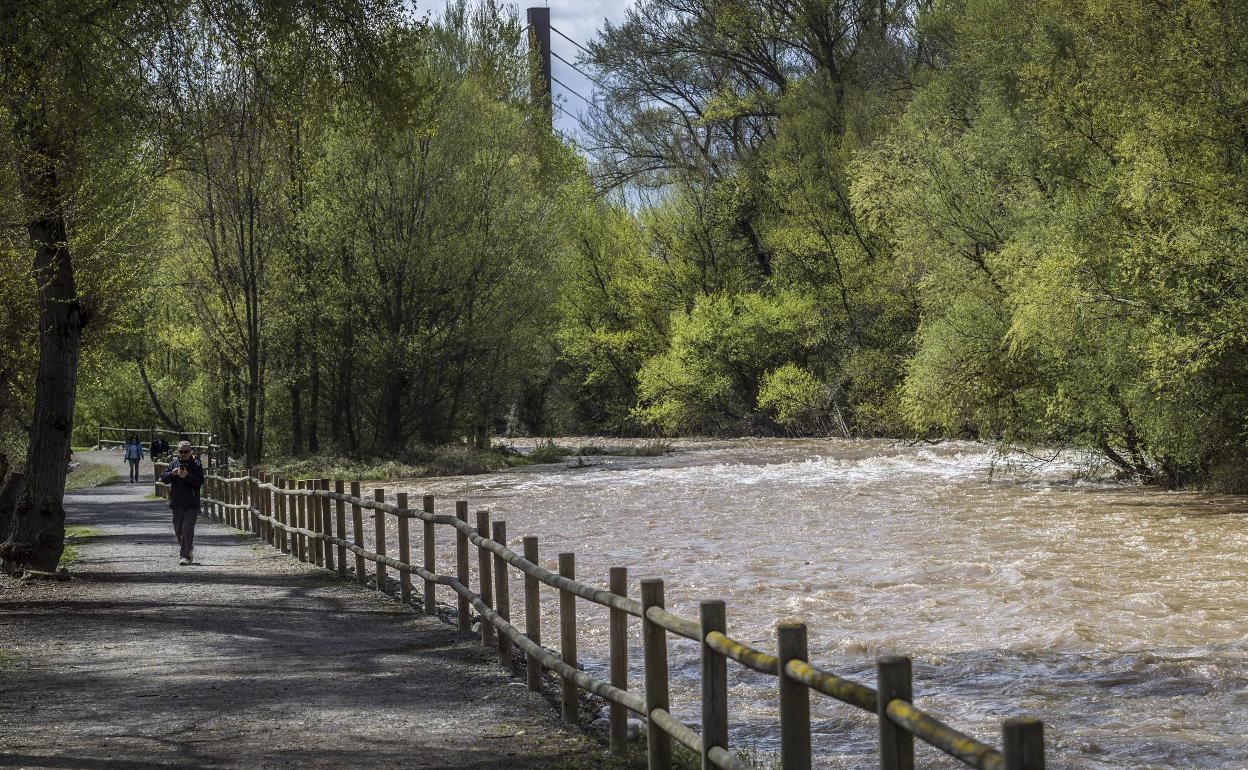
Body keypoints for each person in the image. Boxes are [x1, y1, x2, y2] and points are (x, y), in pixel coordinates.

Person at [160, 440, 204, 566]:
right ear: (177, 452)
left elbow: (199, 482)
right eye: (181, 451)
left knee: (187, 528)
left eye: (186, 451)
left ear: (191, 452)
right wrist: (172, 474)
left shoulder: (196, 464)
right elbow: (164, 479)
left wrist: (187, 476)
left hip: (191, 504)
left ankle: (185, 556)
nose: (184, 454)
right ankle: (188, 548)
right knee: (178, 531)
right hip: (177, 503)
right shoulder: (174, 463)